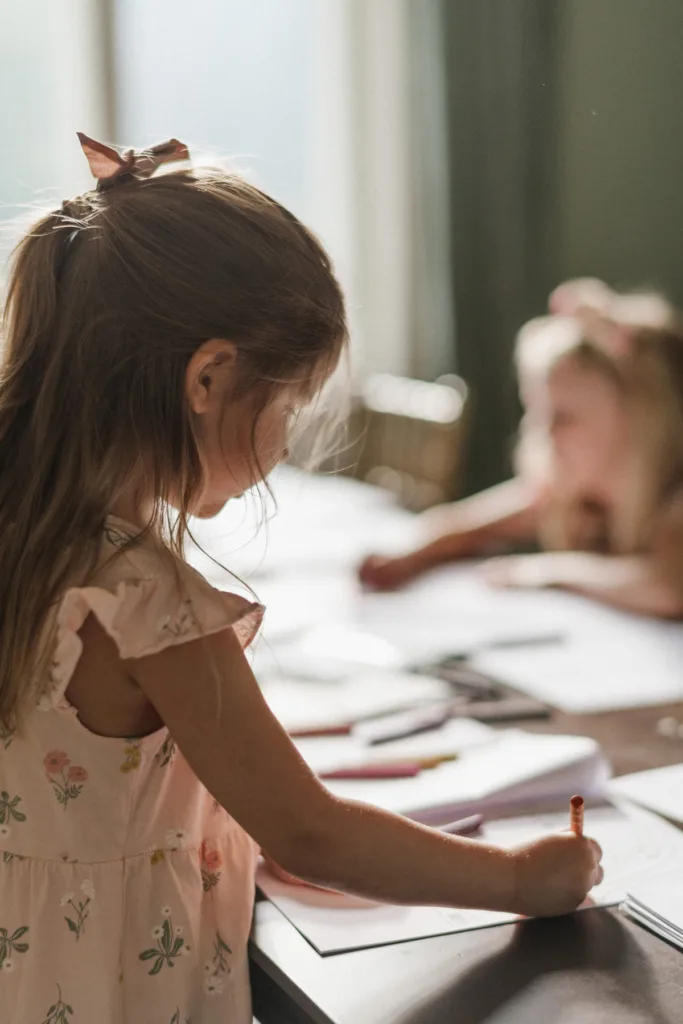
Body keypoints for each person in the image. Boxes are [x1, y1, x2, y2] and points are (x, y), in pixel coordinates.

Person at [0, 136, 602, 1024]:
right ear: (206, 378)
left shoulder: (28, 538)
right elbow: (310, 833)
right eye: (287, 406)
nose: (285, 443)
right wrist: (521, 878)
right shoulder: (142, 598)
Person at [359, 280, 683, 618]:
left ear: (640, 420)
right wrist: (410, 555)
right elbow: (470, 524)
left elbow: (668, 587)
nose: (543, 432)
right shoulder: (565, 490)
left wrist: (547, 572)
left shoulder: (674, 501)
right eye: (535, 411)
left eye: (564, 417)